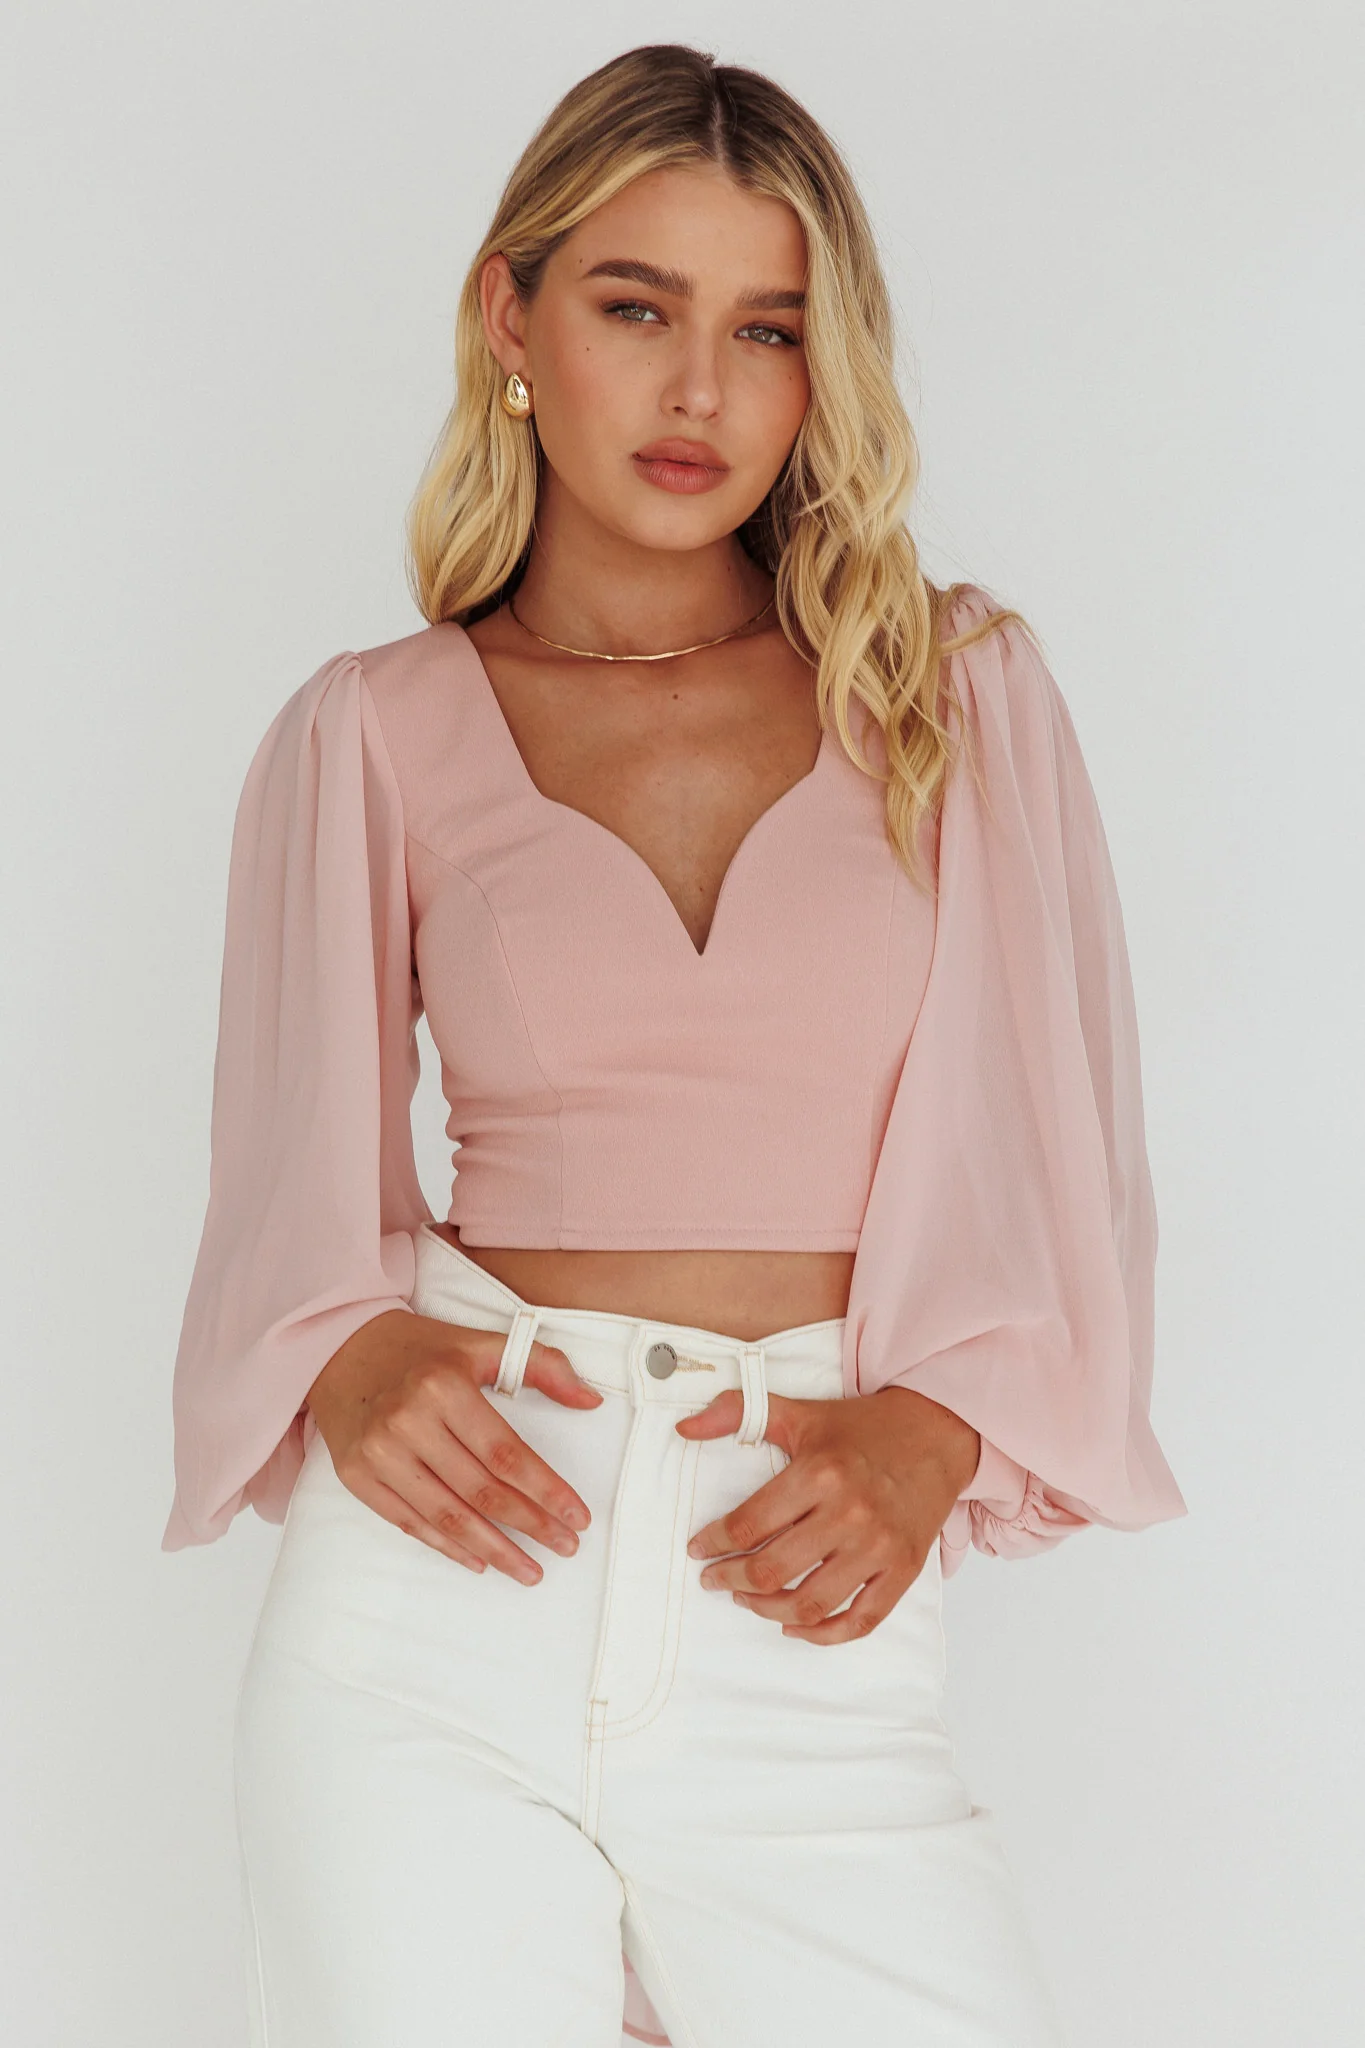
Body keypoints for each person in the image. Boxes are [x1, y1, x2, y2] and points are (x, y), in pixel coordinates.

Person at [162, 42, 1187, 2048]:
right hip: (436, 1608)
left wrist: (933, 1432)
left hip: (799, 1596)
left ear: (821, 369)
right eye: (637, 309)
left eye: (766, 329)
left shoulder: (951, 697)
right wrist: (352, 1353)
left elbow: (1067, 1161)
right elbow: (287, 1189)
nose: (701, 389)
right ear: (512, 316)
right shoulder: (373, 729)